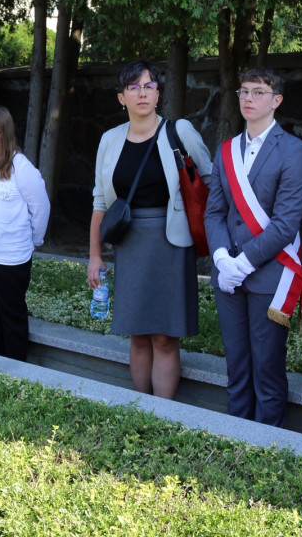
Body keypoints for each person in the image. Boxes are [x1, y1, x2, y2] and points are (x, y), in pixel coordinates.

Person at [88, 60, 212, 399]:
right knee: (138, 334)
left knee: (164, 336)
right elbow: (100, 201)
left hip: (171, 241)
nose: (142, 93)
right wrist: (95, 255)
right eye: (133, 87)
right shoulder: (110, 140)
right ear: (121, 98)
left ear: (159, 94)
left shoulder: (179, 131)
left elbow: (209, 181)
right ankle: (141, 408)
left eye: (149, 86)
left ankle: (165, 413)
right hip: (128, 242)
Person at [204, 67, 302, 428]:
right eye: (244, 92)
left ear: (276, 101)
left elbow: (285, 223)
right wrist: (221, 258)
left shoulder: (295, 151)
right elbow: (214, 212)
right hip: (229, 279)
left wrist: (242, 263)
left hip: (268, 274)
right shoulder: (226, 150)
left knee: (266, 368)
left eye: (258, 92)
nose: (248, 98)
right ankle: (236, 438)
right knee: (236, 364)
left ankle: (267, 448)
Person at [0, 106, 50, 361]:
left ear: (6, 133)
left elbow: (40, 207)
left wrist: (34, 240)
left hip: (12, 255)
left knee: (11, 313)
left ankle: (16, 371)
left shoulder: (21, 168)